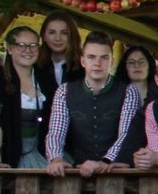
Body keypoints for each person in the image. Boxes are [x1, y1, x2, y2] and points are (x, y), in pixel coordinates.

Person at [43, 31, 141, 178]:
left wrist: (105, 161)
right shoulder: (64, 91)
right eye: (91, 57)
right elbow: (56, 132)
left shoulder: (128, 91)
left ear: (112, 61)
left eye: (104, 58)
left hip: (116, 172)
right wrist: (56, 159)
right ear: (83, 61)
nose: (97, 63)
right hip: (78, 171)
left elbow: (126, 135)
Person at [0, 25, 50, 169]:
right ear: (10, 48)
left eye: (33, 45)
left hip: (40, 153)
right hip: (9, 154)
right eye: (21, 45)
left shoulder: (44, 79)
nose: (28, 50)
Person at [35, 11, 83, 99]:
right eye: (52, 32)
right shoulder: (34, 65)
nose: (58, 38)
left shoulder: (85, 67)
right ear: (44, 36)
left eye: (64, 33)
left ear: (72, 36)